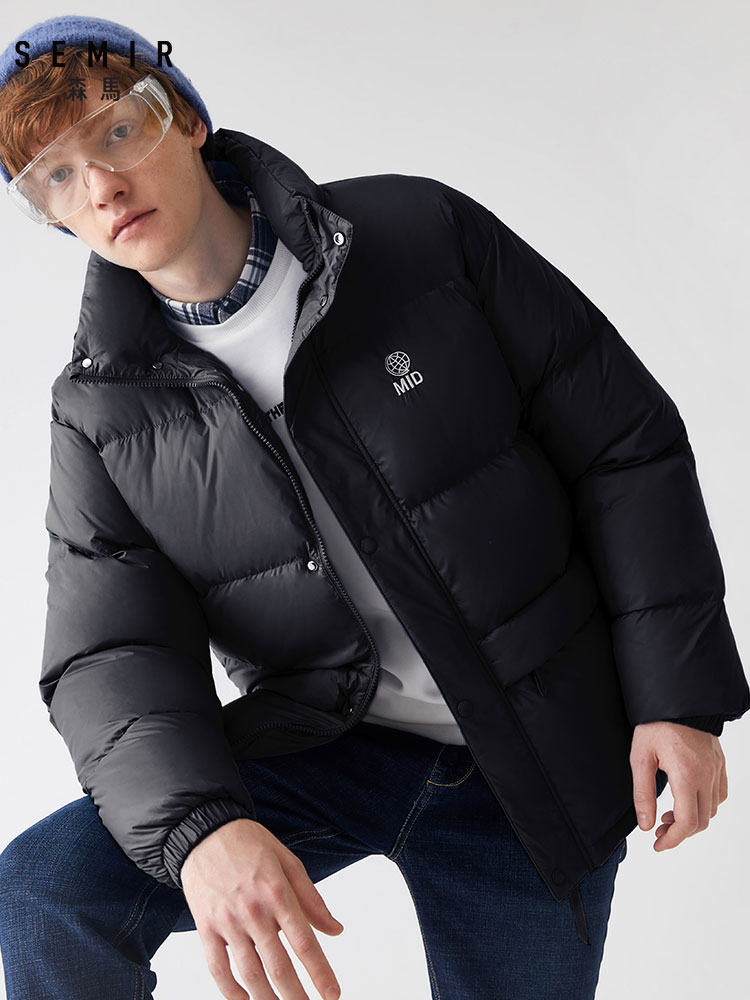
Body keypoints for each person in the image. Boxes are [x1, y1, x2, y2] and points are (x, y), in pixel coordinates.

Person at [0, 14, 747, 1000]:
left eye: (117, 132)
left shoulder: (415, 236)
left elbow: (623, 445)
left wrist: (675, 699)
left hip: (529, 747)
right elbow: (111, 652)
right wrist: (201, 830)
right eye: (55, 176)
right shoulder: (100, 406)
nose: (100, 185)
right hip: (328, 740)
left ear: (184, 119)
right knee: (47, 891)